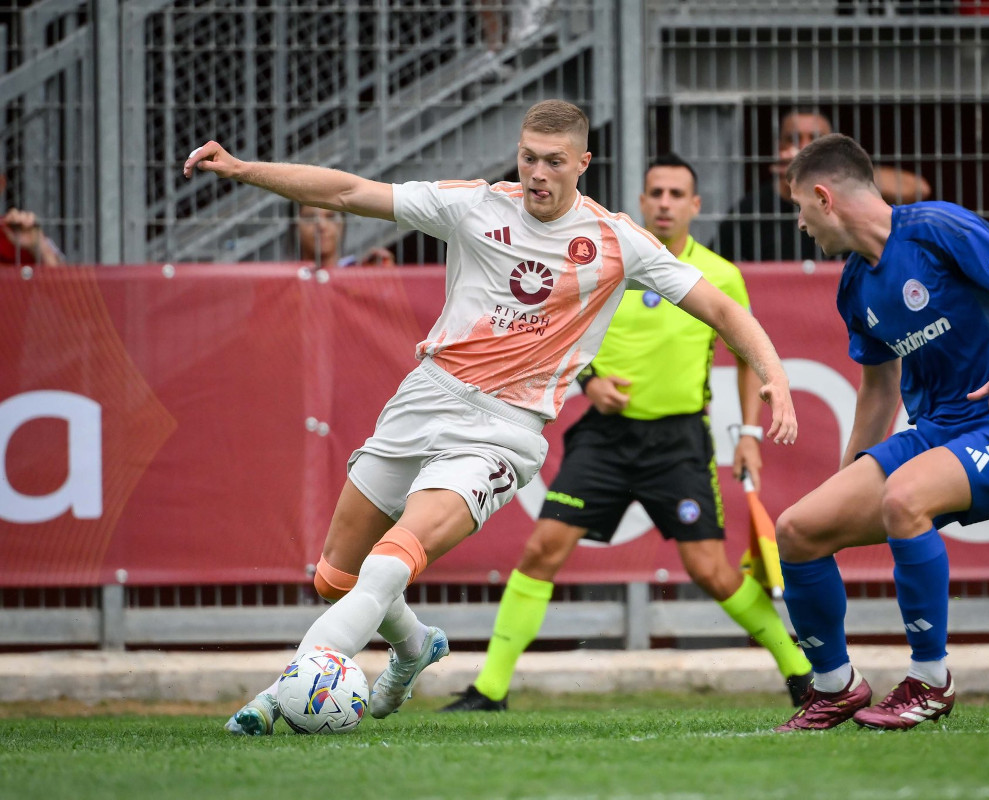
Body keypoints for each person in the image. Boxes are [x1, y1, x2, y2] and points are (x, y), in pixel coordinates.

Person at [182, 99, 798, 736]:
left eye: (553, 162)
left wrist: (775, 378)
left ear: (582, 163)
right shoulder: (473, 206)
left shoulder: (616, 240)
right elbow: (346, 191)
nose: (536, 173)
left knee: (393, 559)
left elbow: (724, 312)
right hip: (425, 397)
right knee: (336, 577)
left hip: (502, 430)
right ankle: (416, 647)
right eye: (528, 156)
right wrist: (243, 168)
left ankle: (283, 691)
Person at [440, 153, 813, 713]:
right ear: (641, 202)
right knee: (543, 549)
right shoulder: (606, 259)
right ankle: (489, 689)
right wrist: (589, 381)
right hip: (605, 440)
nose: (664, 202)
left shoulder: (720, 276)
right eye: (655, 192)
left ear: (694, 206)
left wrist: (748, 435)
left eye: (675, 194)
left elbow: (743, 356)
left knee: (711, 570)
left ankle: (801, 673)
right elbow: (554, 330)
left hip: (680, 443)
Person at [770, 133, 989, 732]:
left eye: (800, 208)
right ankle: (835, 686)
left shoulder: (936, 226)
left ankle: (931, 680)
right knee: (799, 529)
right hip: (938, 432)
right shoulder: (855, 286)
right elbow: (878, 389)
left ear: (824, 198)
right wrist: (851, 473)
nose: (800, 224)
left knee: (905, 498)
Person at [712, 111, 930, 263]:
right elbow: (717, 265)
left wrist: (846, 173)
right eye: (794, 138)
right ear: (780, 147)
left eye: (815, 139)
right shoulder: (752, 208)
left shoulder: (848, 194)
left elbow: (918, 189)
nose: (804, 146)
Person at [297, 204, 396, 267]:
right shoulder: (286, 279)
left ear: (343, 223)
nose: (322, 226)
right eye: (310, 218)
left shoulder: (361, 276)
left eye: (331, 216)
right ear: (295, 227)